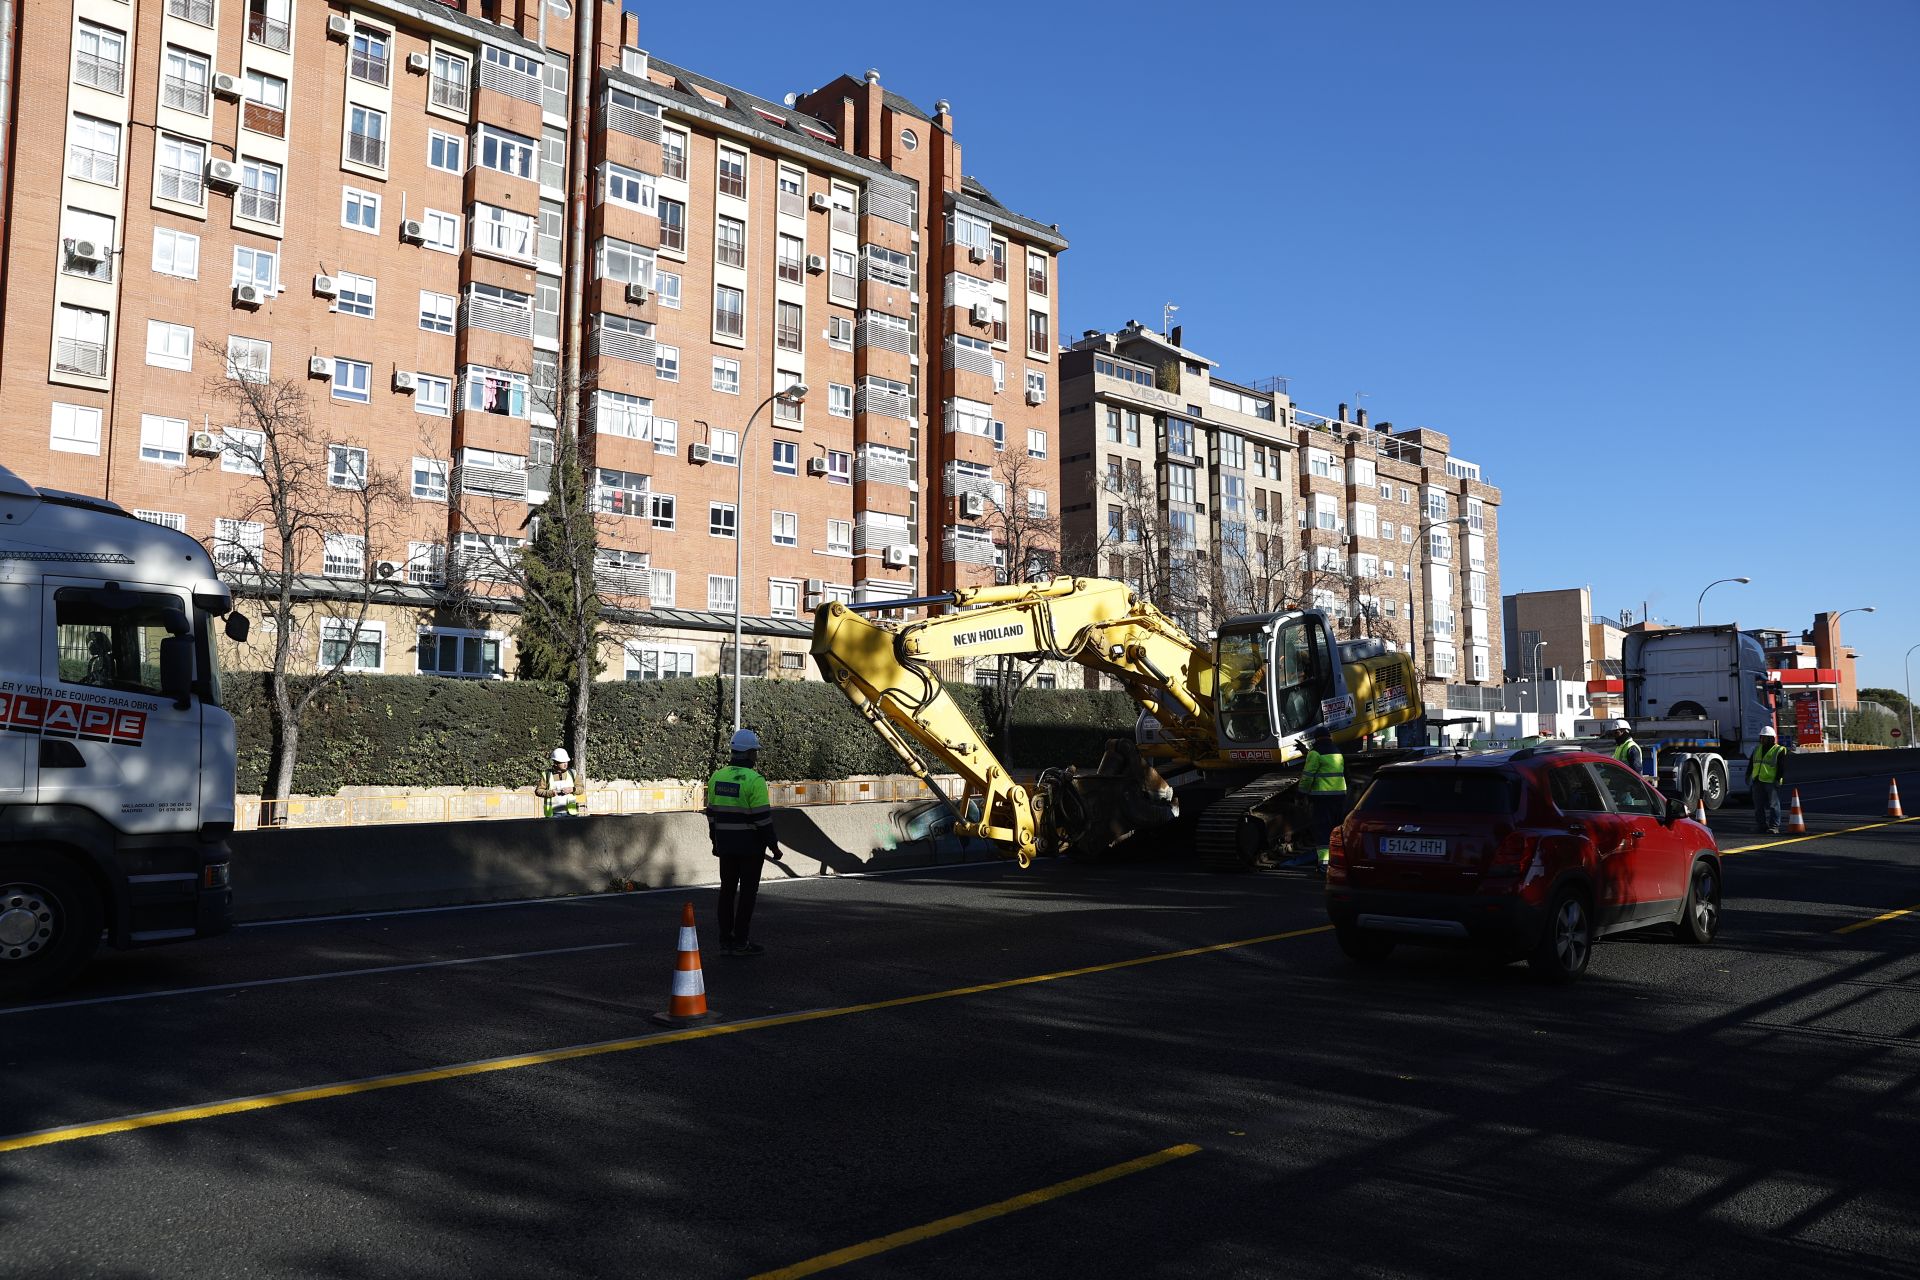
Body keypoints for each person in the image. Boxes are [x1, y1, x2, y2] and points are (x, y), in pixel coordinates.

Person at [706, 728, 783, 955]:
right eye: (755, 752)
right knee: (747, 894)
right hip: (750, 847)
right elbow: (762, 819)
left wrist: (715, 841)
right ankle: (741, 942)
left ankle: (725, 939)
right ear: (750, 753)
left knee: (727, 891)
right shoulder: (754, 780)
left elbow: (712, 814)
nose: (756, 756)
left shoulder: (717, 777)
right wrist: (774, 846)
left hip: (726, 845)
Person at [1288, 727, 1347, 871]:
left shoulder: (1315, 753)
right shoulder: (1337, 751)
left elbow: (1308, 776)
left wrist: (1301, 795)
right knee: (1336, 830)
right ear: (1329, 737)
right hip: (1339, 797)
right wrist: (1305, 752)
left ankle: (1324, 865)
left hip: (1322, 798)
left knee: (1322, 831)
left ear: (1316, 738)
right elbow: (1325, 765)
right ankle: (1339, 862)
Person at [1749, 724, 1789, 833]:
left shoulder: (1779, 750)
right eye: (1761, 737)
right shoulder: (1757, 749)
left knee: (1773, 805)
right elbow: (1751, 764)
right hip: (1758, 780)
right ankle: (1761, 825)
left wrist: (1777, 779)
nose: (1762, 739)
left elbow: (1782, 767)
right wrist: (1748, 776)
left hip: (1771, 782)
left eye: (1764, 737)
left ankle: (1774, 826)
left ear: (1771, 738)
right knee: (1758, 806)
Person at [536, 747, 583, 818]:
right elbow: (538, 791)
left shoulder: (573, 773)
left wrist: (572, 789)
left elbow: (581, 789)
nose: (565, 764)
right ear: (555, 763)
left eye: (566, 761)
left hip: (570, 813)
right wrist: (550, 793)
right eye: (562, 762)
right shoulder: (546, 775)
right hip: (552, 814)